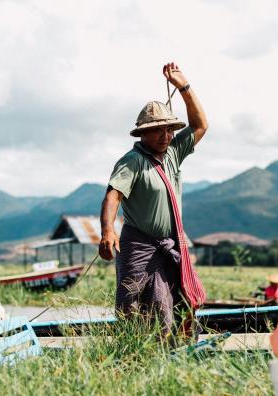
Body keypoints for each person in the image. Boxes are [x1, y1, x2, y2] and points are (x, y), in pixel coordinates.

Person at [99, 62, 207, 334]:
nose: (166, 135)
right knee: (132, 306)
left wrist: (184, 86)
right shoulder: (132, 162)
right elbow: (113, 196)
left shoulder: (173, 152)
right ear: (143, 133)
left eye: (169, 129)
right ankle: (132, 352)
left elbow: (200, 125)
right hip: (139, 245)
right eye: (159, 130)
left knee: (173, 304)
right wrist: (107, 231)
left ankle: (172, 352)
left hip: (169, 244)